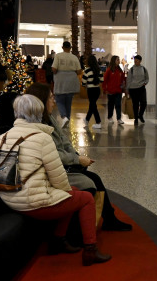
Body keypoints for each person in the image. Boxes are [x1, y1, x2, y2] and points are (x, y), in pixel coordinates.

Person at [0, 94, 111, 266]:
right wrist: (67, 189)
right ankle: (90, 250)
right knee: (84, 198)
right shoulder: (42, 138)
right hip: (32, 202)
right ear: (38, 113)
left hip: (8, 198)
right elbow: (59, 178)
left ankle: (59, 240)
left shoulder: (2, 137)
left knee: (70, 194)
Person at [25, 83, 132, 231]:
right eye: (50, 98)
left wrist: (76, 156)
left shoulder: (49, 118)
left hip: (61, 166)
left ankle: (108, 218)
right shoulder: (36, 125)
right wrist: (76, 160)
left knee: (94, 178)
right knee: (89, 182)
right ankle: (84, 227)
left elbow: (64, 141)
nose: (54, 101)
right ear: (41, 101)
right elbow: (52, 154)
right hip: (50, 172)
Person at [51, 41, 82, 122]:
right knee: (68, 102)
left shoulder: (58, 56)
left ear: (62, 47)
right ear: (70, 48)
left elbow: (54, 69)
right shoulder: (74, 57)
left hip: (60, 81)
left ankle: (64, 117)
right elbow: (79, 71)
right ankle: (67, 119)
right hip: (71, 82)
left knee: (59, 100)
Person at [81, 54, 103, 129]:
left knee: (93, 105)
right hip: (97, 90)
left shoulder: (87, 70)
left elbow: (83, 82)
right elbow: (102, 80)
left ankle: (98, 122)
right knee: (92, 105)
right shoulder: (99, 70)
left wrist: (84, 85)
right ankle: (87, 119)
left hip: (90, 90)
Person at [126, 54, 149, 125]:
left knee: (144, 103)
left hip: (141, 88)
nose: (135, 61)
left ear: (140, 61)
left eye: (137, 60)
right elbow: (128, 80)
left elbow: (147, 78)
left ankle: (140, 115)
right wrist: (127, 89)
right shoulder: (131, 69)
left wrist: (145, 83)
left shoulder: (144, 69)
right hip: (133, 89)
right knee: (135, 104)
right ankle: (136, 118)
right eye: (135, 60)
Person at [103, 55, 126, 125]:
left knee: (118, 104)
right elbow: (105, 80)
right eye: (117, 60)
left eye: (119, 59)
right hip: (111, 91)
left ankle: (119, 118)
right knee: (111, 105)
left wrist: (123, 85)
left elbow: (122, 79)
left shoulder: (120, 70)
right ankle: (110, 117)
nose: (119, 61)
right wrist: (105, 89)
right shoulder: (109, 70)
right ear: (114, 61)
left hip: (118, 90)